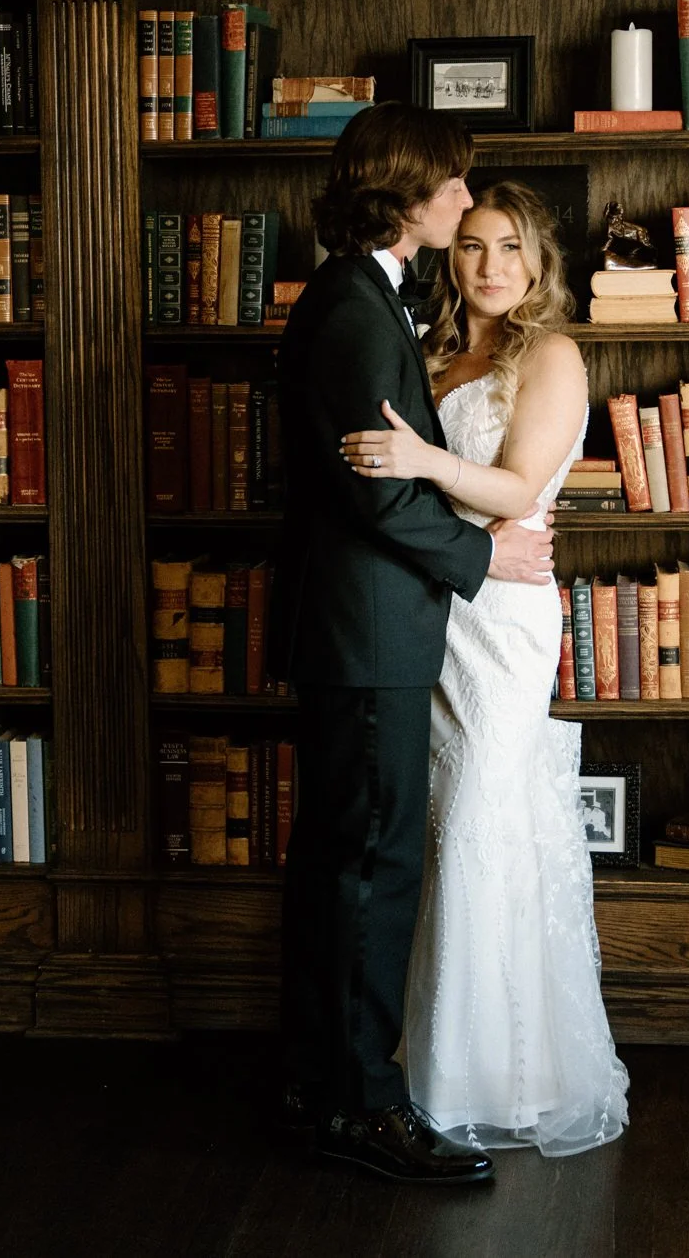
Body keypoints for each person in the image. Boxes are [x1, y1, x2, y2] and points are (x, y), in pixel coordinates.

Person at [275, 106, 556, 1187]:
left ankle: (316, 1083)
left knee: (342, 860)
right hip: (366, 631)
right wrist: (485, 564)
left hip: (365, 629)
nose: (462, 202)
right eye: (451, 187)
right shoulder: (351, 305)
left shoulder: (362, 298)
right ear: (407, 191)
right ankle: (362, 1106)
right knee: (370, 867)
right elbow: (374, 490)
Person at [339, 179, 632, 1158]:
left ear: (538, 263)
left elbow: (512, 485)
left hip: (503, 611)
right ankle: (417, 1059)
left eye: (510, 245)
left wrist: (419, 457)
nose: (490, 264)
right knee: (424, 821)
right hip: (429, 604)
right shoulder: (428, 350)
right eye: (470, 244)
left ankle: (495, 1073)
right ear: (446, 256)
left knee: (477, 817)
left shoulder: (549, 353)